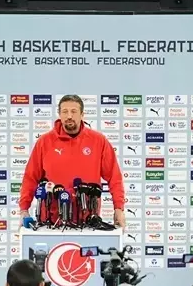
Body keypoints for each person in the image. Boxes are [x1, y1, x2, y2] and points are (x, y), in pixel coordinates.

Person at [17, 94, 126, 229]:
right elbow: (30, 178)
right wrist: (23, 209)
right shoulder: (44, 142)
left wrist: (119, 208)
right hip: (51, 223)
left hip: (88, 222)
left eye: (74, 111)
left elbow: (114, 177)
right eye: (65, 112)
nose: (69, 116)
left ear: (82, 115)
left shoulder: (98, 141)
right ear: (59, 114)